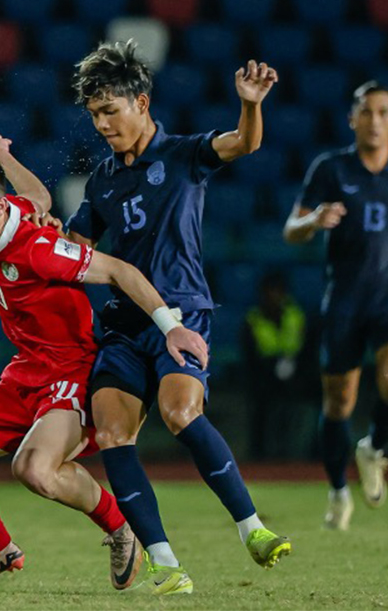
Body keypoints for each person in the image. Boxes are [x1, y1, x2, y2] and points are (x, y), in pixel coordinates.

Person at [33, 40, 290, 594]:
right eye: (94, 114)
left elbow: (245, 142)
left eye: (111, 111)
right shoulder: (101, 180)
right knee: (112, 431)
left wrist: (250, 103)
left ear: (142, 103)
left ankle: (253, 529)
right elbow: (77, 249)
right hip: (124, 327)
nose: (102, 124)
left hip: (182, 316)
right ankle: (165, 561)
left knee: (179, 413)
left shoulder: (184, 155)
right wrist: (46, 233)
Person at [0, 138, 210, 593]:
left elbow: (121, 272)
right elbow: (38, 199)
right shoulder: (11, 217)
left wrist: (170, 327)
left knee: (35, 470)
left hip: (71, 373)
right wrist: (5, 158)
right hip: (26, 369)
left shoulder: (38, 248)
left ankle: (118, 524)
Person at [282, 81, 388, 530]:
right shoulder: (331, 168)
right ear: (352, 120)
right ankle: (339, 491)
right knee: (338, 402)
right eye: (367, 112)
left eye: (383, 112)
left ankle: (374, 447)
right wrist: (313, 221)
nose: (375, 120)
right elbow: (290, 229)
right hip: (344, 300)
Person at [240, 271, 308, 460]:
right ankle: (259, 456)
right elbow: (249, 352)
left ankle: (291, 454)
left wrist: (291, 365)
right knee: (260, 405)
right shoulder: (253, 318)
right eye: (270, 291)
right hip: (263, 374)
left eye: (278, 291)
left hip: (293, 372)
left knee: (291, 407)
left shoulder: (296, 315)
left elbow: (305, 345)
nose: (274, 296)